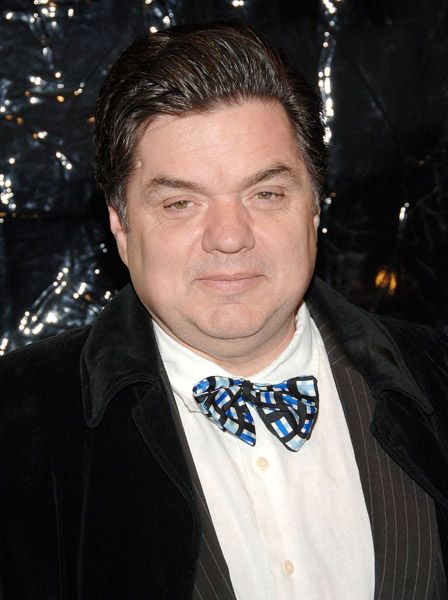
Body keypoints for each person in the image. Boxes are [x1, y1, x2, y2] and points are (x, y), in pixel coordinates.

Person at [1, 21, 447, 600]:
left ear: (314, 208)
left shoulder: (436, 379)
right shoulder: (19, 427)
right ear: (121, 226)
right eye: (181, 203)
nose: (230, 237)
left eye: (265, 193)